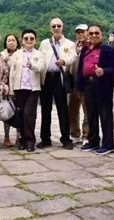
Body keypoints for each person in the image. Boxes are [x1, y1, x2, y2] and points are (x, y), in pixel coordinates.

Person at [76, 25, 114, 155]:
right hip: (88, 85)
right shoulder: (85, 49)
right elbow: (81, 68)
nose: (94, 35)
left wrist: (104, 71)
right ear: (88, 35)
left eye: (96, 33)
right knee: (91, 114)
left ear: (101, 34)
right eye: (91, 33)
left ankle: (108, 144)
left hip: (102, 85)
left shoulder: (108, 50)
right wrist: (79, 86)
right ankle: (93, 141)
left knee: (105, 115)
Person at [38, 18, 77, 150]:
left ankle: (66, 139)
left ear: (62, 27)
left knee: (62, 109)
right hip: (46, 78)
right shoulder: (44, 43)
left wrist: (64, 61)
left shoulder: (69, 44)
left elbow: (73, 57)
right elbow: (39, 58)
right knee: (45, 109)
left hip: (60, 79)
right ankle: (45, 139)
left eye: (58, 26)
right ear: (50, 28)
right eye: (54, 26)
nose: (56, 28)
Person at [9, 29, 45, 152]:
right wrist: (11, 89)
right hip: (19, 88)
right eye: (26, 38)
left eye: (31, 38)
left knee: (29, 114)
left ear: (35, 40)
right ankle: (22, 140)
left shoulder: (39, 54)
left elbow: (41, 68)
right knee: (20, 114)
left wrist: (32, 66)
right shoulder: (17, 54)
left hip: (33, 89)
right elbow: (12, 72)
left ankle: (30, 141)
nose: (29, 40)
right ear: (22, 40)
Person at [69, 24, 89, 145]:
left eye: (83, 32)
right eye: (78, 32)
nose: (80, 34)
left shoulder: (90, 46)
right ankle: (74, 133)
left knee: (87, 109)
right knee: (72, 108)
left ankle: (86, 135)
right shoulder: (73, 46)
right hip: (72, 81)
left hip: (85, 82)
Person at [0, 33, 20, 147]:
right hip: (6, 88)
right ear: (5, 43)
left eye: (13, 40)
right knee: (7, 112)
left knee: (19, 112)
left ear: (17, 42)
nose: (11, 42)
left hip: (18, 87)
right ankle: (6, 137)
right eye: (9, 40)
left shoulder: (21, 53)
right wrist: (4, 61)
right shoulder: (1, 55)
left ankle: (18, 137)